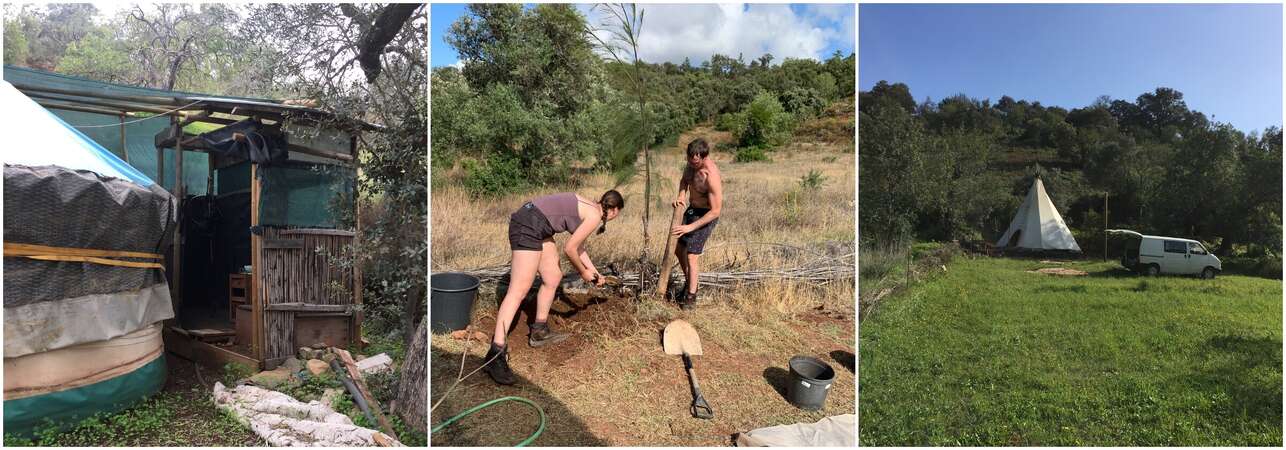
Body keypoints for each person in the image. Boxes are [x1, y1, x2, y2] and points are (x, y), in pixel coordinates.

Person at [484, 190, 625, 385]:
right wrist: (583, 272)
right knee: (518, 291)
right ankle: (495, 354)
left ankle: (539, 330)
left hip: (537, 224)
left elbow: (579, 247)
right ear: (615, 210)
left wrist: (595, 272)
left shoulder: (591, 207)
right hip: (528, 224)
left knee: (553, 277)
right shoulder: (594, 215)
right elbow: (570, 249)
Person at [671, 138, 723, 310]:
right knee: (678, 249)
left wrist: (690, 227)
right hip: (693, 210)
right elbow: (684, 181)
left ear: (704, 157)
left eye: (695, 162)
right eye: (689, 161)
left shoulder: (711, 175)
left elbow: (716, 211)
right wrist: (681, 195)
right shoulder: (691, 165)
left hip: (707, 215)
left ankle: (691, 298)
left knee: (692, 255)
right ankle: (690, 283)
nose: (692, 165)